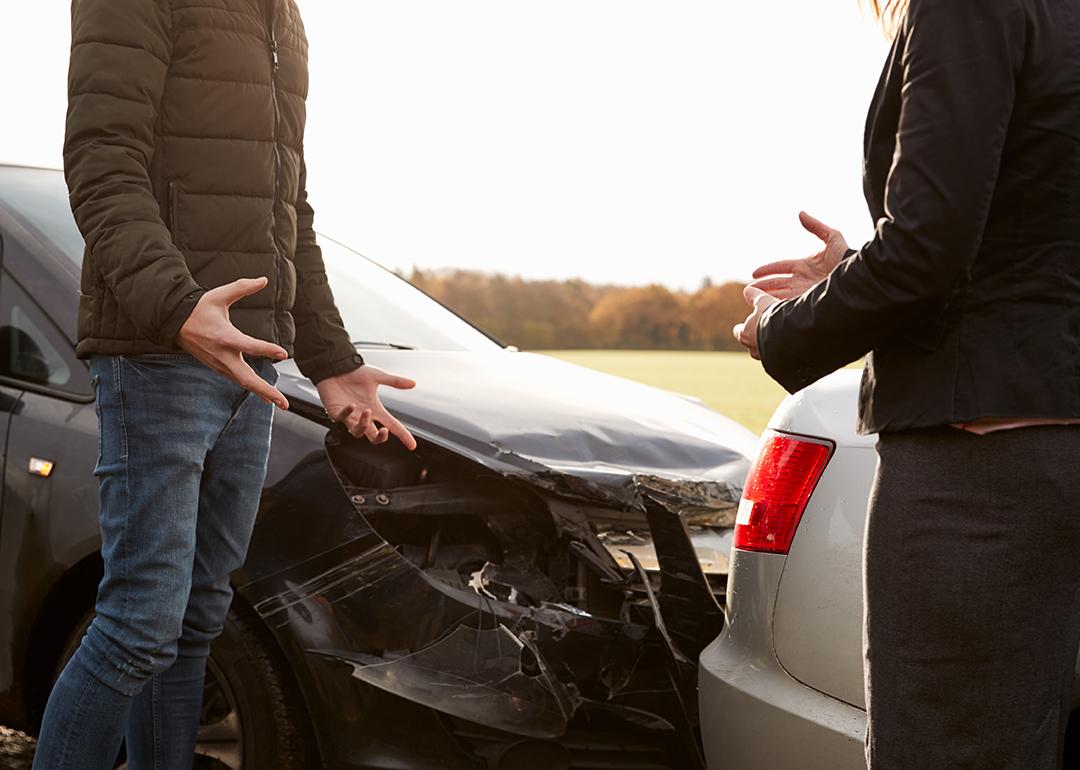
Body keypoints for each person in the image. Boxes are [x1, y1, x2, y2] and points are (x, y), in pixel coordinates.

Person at [32, 0, 418, 767]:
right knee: (140, 623)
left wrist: (331, 360)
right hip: (157, 353)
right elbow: (101, 161)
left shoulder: (282, 17)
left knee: (198, 617)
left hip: (251, 362)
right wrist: (178, 307)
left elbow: (286, 212)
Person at [734, 0, 1080, 767]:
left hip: (983, 469)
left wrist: (782, 328)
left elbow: (927, 249)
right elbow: (1034, 238)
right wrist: (850, 274)